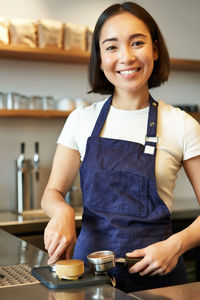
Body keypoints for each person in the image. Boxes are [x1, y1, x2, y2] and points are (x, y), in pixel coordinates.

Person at [41, 1, 200, 293]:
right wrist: (61, 211)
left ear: (154, 49)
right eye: (112, 47)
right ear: (100, 59)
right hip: (88, 280)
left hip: (159, 285)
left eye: (137, 42)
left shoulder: (182, 125)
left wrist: (176, 245)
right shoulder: (81, 120)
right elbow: (51, 193)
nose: (126, 57)